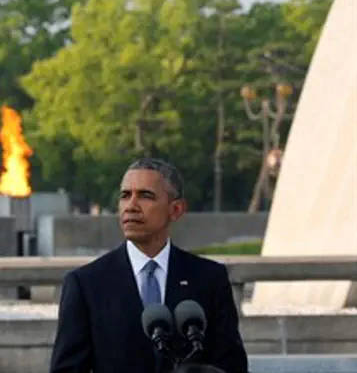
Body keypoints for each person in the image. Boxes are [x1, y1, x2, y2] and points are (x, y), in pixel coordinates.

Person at [49, 158, 248, 373]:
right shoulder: (85, 284)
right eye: (125, 195)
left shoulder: (210, 279)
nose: (131, 206)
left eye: (145, 195)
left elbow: (232, 365)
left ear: (176, 209)